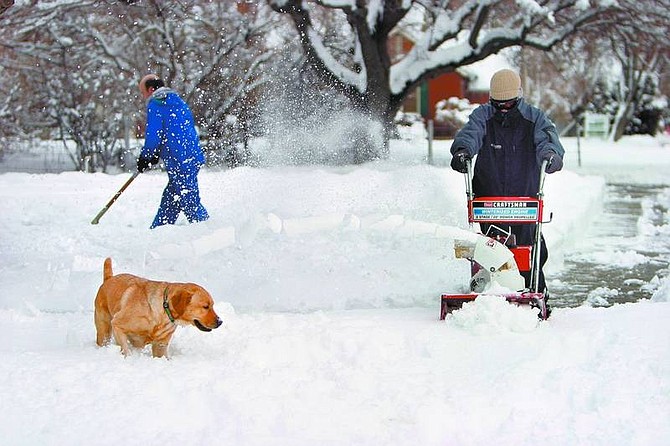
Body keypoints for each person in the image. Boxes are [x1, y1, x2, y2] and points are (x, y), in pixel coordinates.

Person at [449, 68, 564, 296]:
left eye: (508, 103)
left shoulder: (534, 118)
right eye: (498, 103)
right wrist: (463, 151)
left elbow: (548, 141)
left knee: (531, 250)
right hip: (488, 196)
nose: (502, 108)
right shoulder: (483, 115)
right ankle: (486, 291)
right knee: (490, 250)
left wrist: (550, 156)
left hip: (524, 197)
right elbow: (471, 133)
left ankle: (534, 290)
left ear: (518, 96)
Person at [137, 74, 209, 229]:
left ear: (150, 89)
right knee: (172, 198)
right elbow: (175, 130)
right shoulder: (178, 101)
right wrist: (156, 154)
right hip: (191, 156)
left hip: (179, 159)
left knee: (189, 201)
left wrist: (147, 156)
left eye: (143, 93)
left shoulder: (156, 104)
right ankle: (158, 230)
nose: (143, 97)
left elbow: (154, 135)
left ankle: (209, 232)